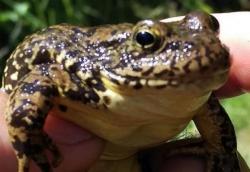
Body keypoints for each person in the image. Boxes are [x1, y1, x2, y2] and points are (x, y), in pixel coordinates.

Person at [0, 12, 250, 172]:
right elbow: (41, 78)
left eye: (211, 28)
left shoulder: (193, 92)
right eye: (147, 40)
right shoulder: (82, 78)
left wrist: (221, 149)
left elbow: (214, 123)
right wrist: (27, 133)